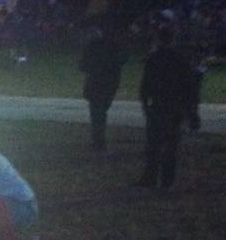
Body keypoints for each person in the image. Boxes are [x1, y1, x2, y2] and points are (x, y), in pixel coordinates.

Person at [137, 26, 194, 189]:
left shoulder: (153, 58)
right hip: (175, 106)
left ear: (158, 39)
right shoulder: (180, 59)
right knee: (171, 145)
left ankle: (150, 176)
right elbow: (189, 86)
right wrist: (190, 110)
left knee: (153, 145)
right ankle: (167, 180)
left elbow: (145, 84)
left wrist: (144, 103)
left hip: (158, 105)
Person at [79, 23, 129, 151]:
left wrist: (94, 68)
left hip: (96, 83)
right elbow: (123, 58)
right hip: (110, 83)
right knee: (101, 110)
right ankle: (99, 140)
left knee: (97, 112)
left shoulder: (92, 46)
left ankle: (98, 141)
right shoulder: (113, 45)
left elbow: (82, 65)